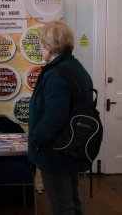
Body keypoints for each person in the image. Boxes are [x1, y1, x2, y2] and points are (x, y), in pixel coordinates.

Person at [28, 20, 93, 215]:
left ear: (48, 46)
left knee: (61, 206)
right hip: (71, 147)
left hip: (55, 151)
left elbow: (55, 116)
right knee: (72, 202)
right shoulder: (77, 68)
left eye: (41, 44)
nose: (41, 48)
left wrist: (36, 137)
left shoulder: (56, 74)